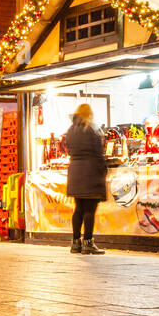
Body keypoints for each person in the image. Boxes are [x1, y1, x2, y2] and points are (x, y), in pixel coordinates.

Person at [64, 103, 108, 255]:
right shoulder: (91, 130)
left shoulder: (70, 130)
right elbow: (98, 153)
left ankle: (75, 243)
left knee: (78, 208)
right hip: (90, 173)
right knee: (90, 209)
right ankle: (88, 242)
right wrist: (103, 168)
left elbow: (68, 148)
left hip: (75, 172)